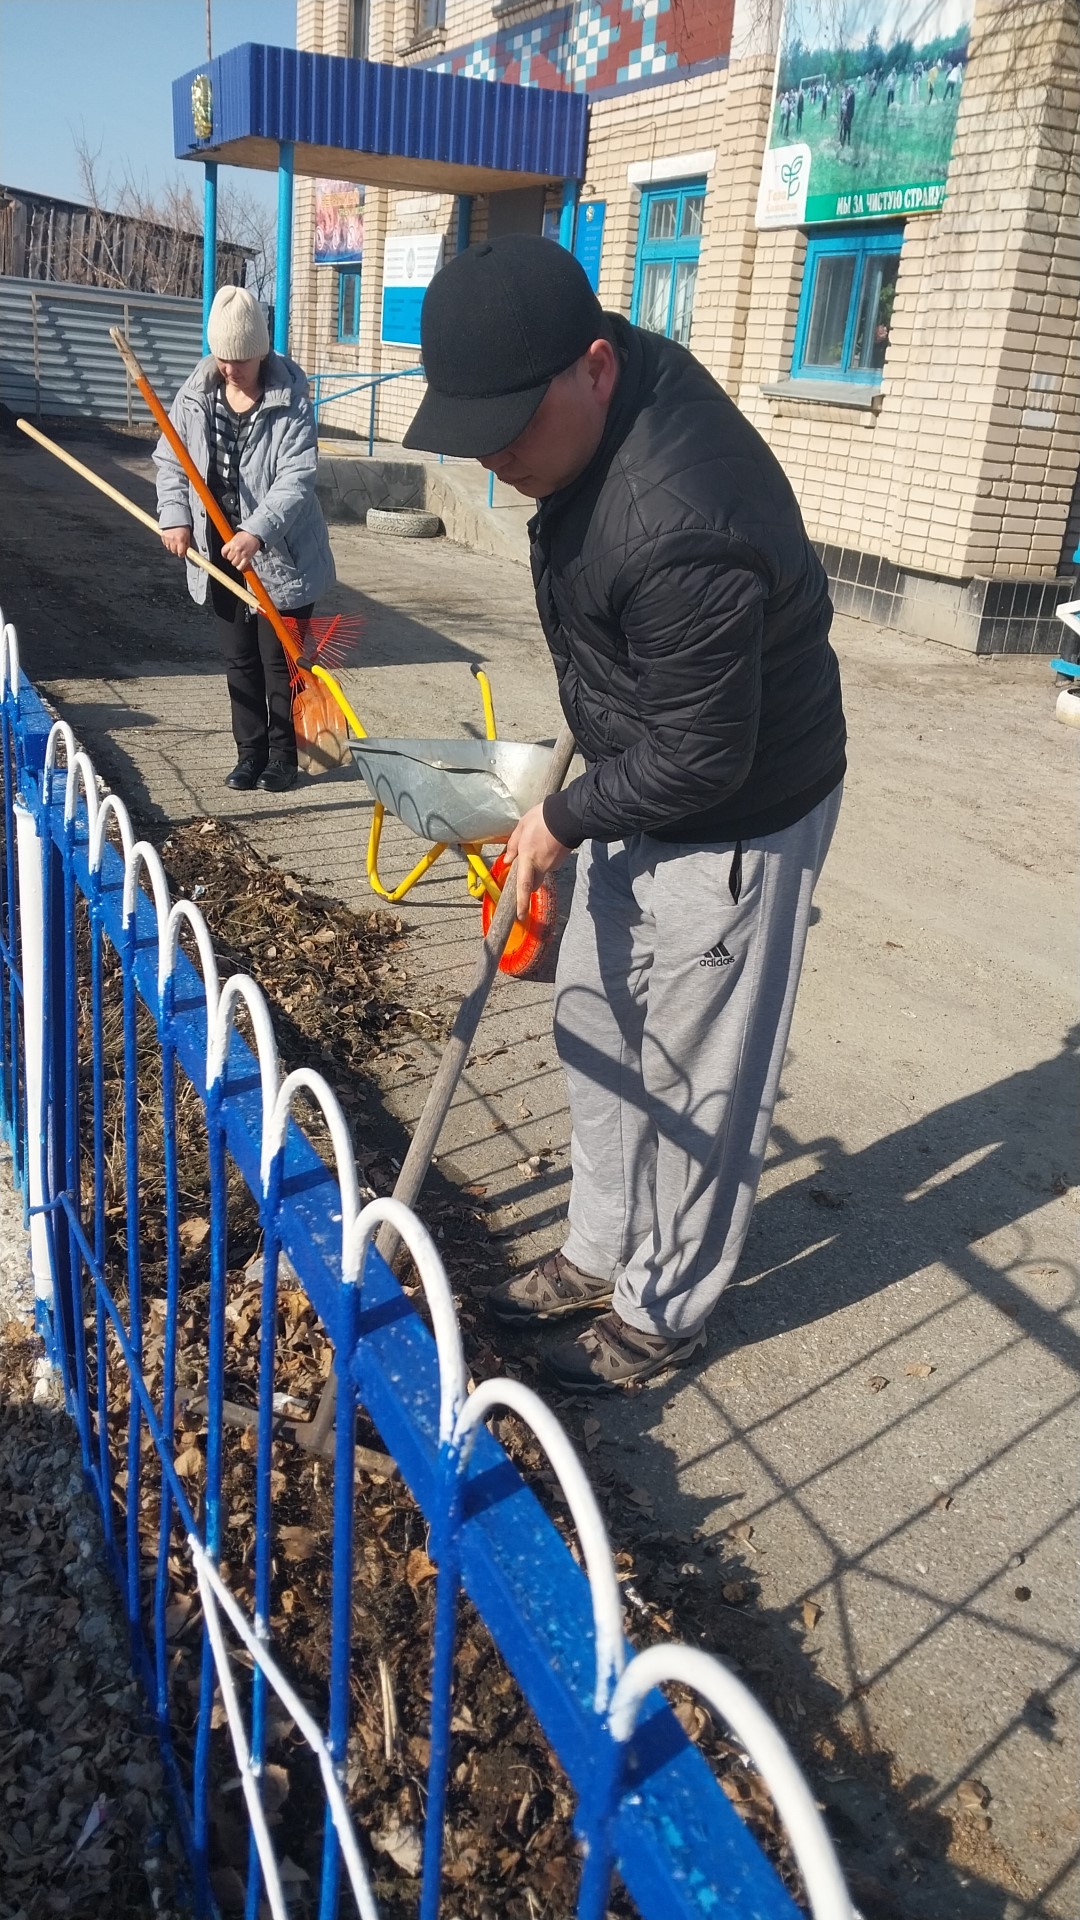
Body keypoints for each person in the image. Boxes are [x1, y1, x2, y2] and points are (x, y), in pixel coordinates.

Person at [403, 237, 845, 1391]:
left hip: (739, 810)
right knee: (595, 1018)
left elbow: (703, 756)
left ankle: (661, 1308)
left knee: (697, 1073)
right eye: (476, 434)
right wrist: (581, 797)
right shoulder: (602, 411)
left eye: (511, 429)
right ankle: (599, 1249)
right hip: (639, 766)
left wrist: (560, 819)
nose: (495, 460)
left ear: (594, 368)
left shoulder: (682, 513)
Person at [155, 285, 335, 792]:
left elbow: (297, 477)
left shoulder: (290, 399)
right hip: (219, 552)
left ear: (261, 351)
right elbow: (171, 460)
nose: (230, 368)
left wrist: (256, 531)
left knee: (280, 663)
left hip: (282, 556)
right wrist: (175, 517)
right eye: (222, 357)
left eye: (240, 359)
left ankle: (283, 757)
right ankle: (249, 754)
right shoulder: (196, 396)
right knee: (239, 660)